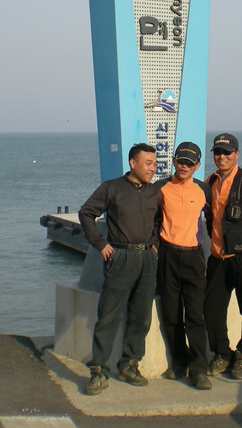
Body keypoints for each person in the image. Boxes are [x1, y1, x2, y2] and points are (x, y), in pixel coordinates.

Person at [78, 143, 162, 396]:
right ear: (133, 164)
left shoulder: (155, 192)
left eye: (155, 163)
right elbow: (86, 213)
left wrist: (155, 245)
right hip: (120, 257)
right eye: (148, 163)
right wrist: (100, 244)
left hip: (147, 259)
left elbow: (159, 220)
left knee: (141, 317)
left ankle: (129, 365)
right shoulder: (112, 188)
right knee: (108, 316)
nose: (153, 168)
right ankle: (99, 372)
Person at [203, 132, 242, 381]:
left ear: (236, 154)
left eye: (227, 152)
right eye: (218, 152)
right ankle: (222, 353)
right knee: (212, 309)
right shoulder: (211, 181)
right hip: (217, 258)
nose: (222, 157)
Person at [155, 141, 212, 391]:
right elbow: (151, 219)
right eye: (181, 161)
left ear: (197, 166)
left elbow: (214, 218)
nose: (184, 166)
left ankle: (199, 369)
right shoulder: (160, 188)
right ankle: (179, 362)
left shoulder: (204, 190)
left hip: (193, 257)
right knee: (170, 315)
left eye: (189, 163)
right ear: (173, 161)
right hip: (167, 255)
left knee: (196, 315)